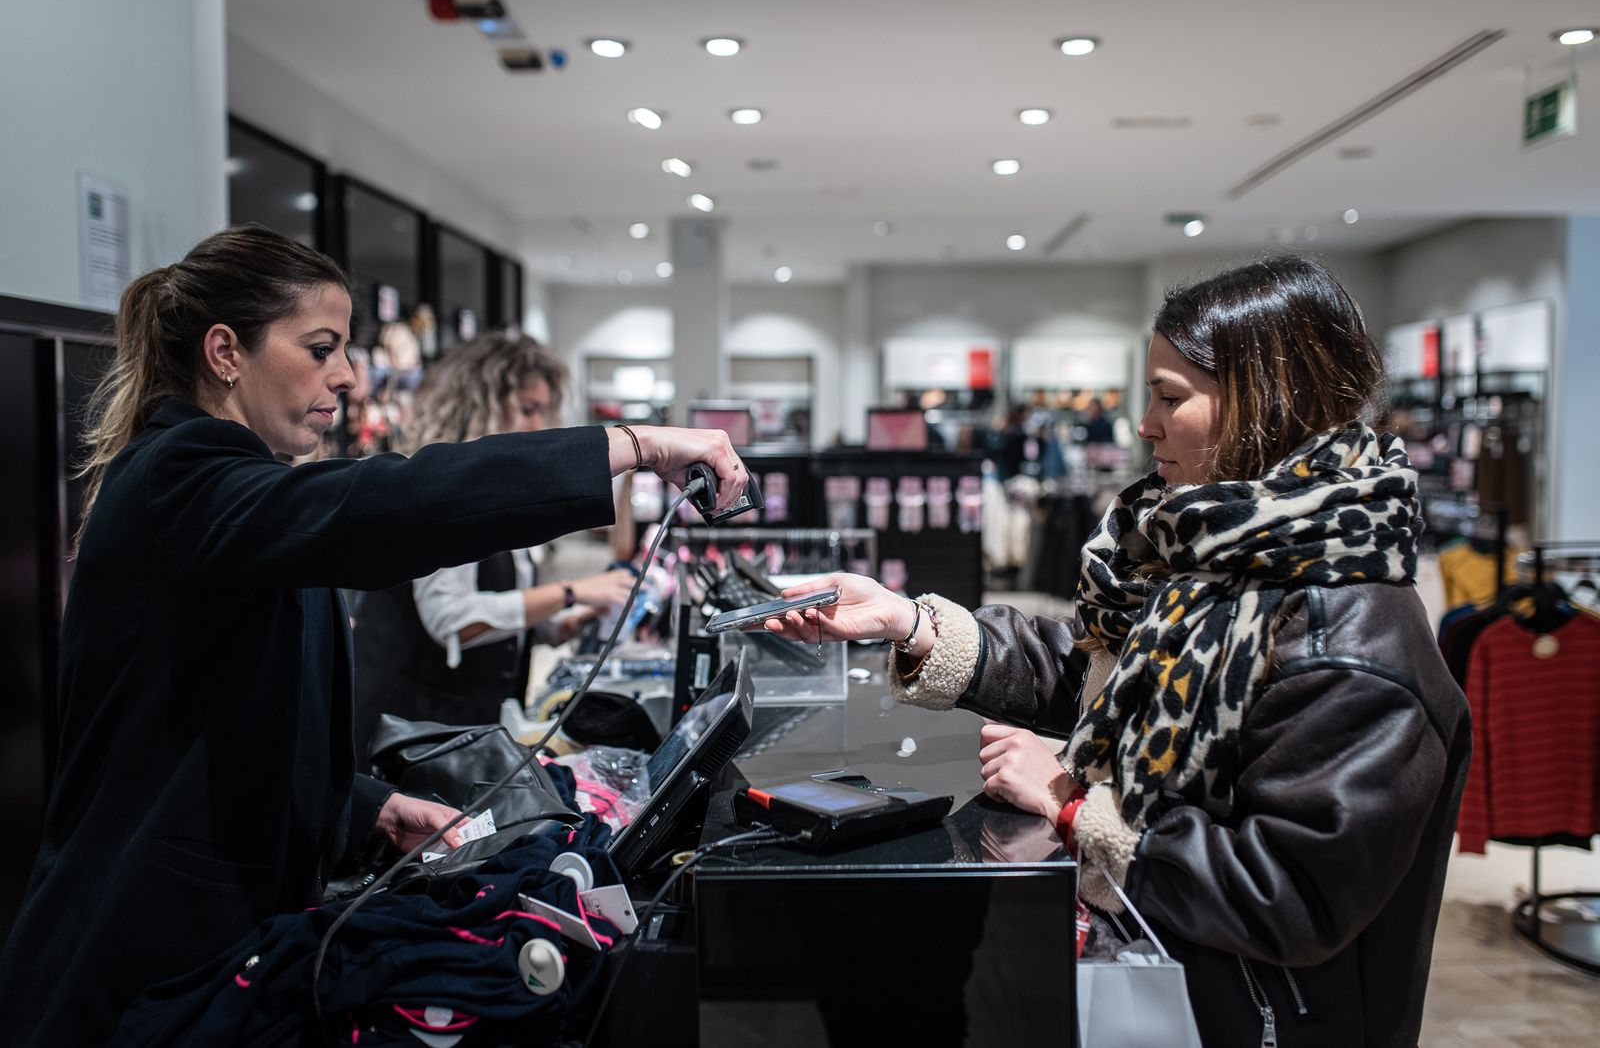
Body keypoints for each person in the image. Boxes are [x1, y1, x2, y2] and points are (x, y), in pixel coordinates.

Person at [0, 224, 745, 1046]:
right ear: (224, 352)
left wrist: (367, 805)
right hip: (140, 957)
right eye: (320, 349)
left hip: (217, 945)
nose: (347, 377)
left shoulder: (232, 489)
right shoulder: (180, 476)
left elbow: (229, 716)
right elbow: (388, 505)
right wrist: (631, 447)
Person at [766, 256, 1470, 1047]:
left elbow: (1290, 893)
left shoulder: (1349, 636)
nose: (1144, 424)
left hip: (1247, 1017)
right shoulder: (1207, 561)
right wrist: (909, 622)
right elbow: (1099, 675)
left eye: (1171, 397)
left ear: (1267, 403)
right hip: (1164, 978)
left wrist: (1074, 806)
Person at [350, 333, 634, 765]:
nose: (538, 428)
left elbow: (497, 604)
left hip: (464, 728)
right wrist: (571, 592)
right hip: (414, 734)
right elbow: (451, 620)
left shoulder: (491, 499)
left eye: (542, 411)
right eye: (526, 410)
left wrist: (560, 624)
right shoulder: (441, 495)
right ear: (479, 405)